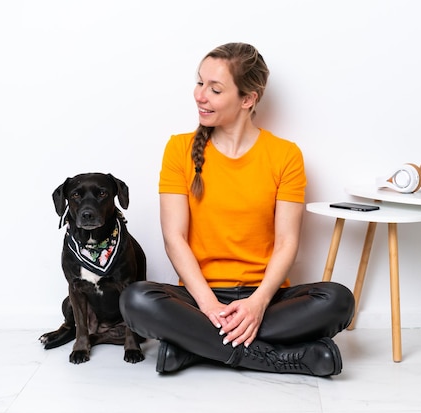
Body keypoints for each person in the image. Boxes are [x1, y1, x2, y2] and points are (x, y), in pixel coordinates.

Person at [119, 42, 355, 377]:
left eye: (215, 89)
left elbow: (287, 242)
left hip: (267, 297)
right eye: (199, 83)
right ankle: (285, 358)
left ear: (248, 99)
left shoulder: (285, 155)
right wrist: (209, 304)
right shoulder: (179, 149)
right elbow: (175, 238)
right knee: (135, 300)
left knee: (338, 300)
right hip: (199, 297)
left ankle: (193, 348)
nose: (200, 95)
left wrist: (258, 304)